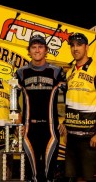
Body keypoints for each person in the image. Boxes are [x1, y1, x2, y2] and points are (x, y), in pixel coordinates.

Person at [15, 35, 67, 181]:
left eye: (40, 47)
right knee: (33, 175)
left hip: (50, 129)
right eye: (33, 47)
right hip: (29, 130)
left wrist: (67, 120)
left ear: (46, 50)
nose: (37, 50)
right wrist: (18, 123)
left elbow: (72, 96)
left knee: (49, 174)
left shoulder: (56, 71)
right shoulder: (21, 72)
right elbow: (13, 98)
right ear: (29, 51)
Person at [63, 33, 96, 182]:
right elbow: (71, 102)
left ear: (87, 47)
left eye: (79, 45)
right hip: (73, 136)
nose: (75, 48)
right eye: (72, 45)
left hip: (90, 135)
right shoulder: (70, 73)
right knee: (79, 176)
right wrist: (66, 126)